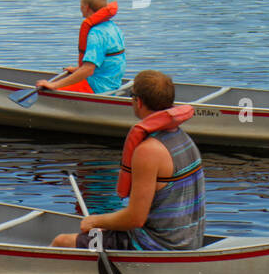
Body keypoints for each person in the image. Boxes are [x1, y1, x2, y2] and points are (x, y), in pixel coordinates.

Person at [51, 70, 204, 251]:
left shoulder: (148, 151)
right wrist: (106, 224)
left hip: (153, 245)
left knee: (62, 242)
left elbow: (135, 219)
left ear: (138, 102)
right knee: (100, 228)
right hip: (187, 240)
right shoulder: (184, 138)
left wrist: (94, 220)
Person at [35, 0, 126, 94]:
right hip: (112, 84)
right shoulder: (113, 27)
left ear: (86, 7)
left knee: (49, 90)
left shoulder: (96, 33)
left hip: (96, 87)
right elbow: (107, 62)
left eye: (81, 4)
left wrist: (53, 85)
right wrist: (79, 70)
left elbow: (88, 70)